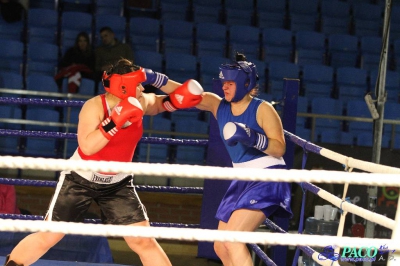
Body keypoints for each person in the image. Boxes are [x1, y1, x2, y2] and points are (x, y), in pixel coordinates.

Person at [4, 58, 204, 266]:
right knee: (50, 236)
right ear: (124, 87)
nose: (142, 88)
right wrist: (114, 122)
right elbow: (88, 147)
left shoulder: (141, 102)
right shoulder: (94, 107)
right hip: (80, 179)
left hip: (117, 182)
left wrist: (158, 79)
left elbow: (179, 96)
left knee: (143, 241)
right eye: (138, 83)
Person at [195, 52, 292, 266]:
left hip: (267, 177)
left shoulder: (262, 108)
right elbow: (186, 96)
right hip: (241, 178)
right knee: (221, 245)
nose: (224, 87)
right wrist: (156, 79)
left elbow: (280, 148)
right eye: (223, 82)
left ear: (245, 83)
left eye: (230, 83)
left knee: (235, 241)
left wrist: (253, 139)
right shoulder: (218, 106)